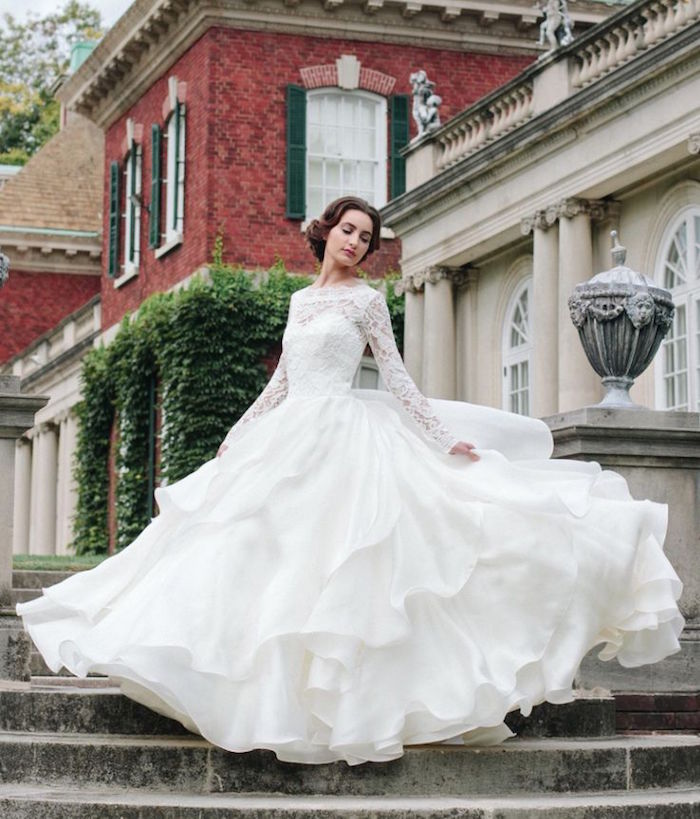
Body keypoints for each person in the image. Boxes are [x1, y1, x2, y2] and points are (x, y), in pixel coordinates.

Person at [16, 196, 684, 766]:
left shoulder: (367, 302)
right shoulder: (300, 301)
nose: (357, 243)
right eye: (349, 230)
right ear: (326, 231)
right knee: (259, 555)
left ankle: (339, 701)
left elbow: (395, 378)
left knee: (346, 564)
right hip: (287, 436)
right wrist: (236, 434)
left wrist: (439, 437)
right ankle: (259, 689)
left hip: (344, 437)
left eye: (366, 238)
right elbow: (280, 383)